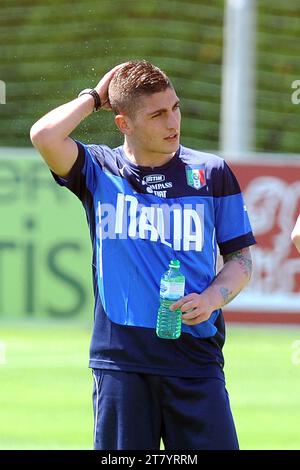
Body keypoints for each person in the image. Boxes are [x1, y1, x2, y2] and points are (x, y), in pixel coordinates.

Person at [30, 60, 256, 451]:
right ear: (123, 124)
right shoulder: (99, 169)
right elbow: (45, 135)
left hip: (196, 360)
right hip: (122, 364)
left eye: (175, 108)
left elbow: (241, 260)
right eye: (157, 114)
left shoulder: (212, 172)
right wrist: (94, 97)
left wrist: (212, 299)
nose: (173, 122)